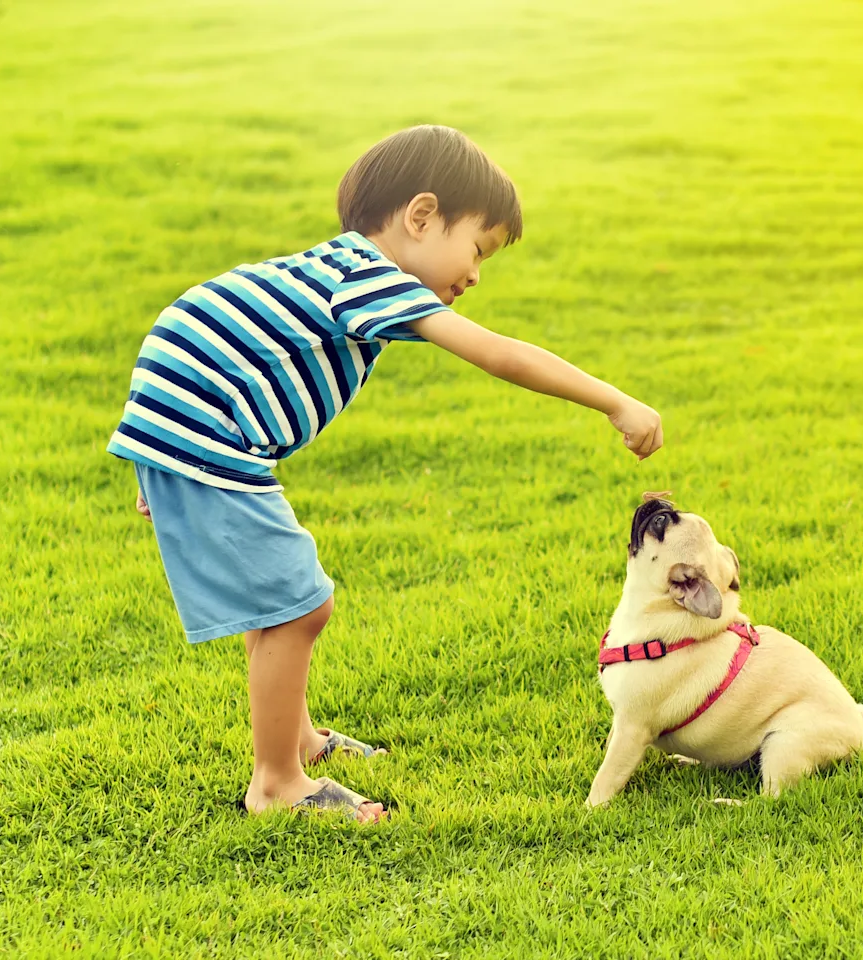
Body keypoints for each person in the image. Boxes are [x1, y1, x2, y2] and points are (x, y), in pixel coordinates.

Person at [107, 125, 663, 823]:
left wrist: (155, 455)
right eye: (477, 248)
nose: (476, 273)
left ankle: (299, 739)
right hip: (204, 436)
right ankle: (277, 784)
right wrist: (614, 401)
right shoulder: (372, 276)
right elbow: (494, 353)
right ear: (421, 216)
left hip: (186, 425)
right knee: (300, 605)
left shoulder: (340, 269)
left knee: (274, 598)